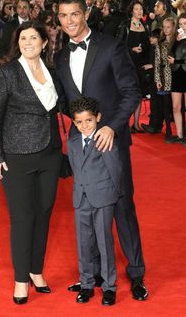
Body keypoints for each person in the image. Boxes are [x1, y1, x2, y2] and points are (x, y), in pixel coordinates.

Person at [55, 0, 148, 301]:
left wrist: (110, 126)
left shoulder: (110, 46)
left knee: (122, 207)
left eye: (75, 14)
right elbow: (67, 102)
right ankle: (93, 274)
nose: (69, 21)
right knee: (87, 208)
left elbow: (132, 92)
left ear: (86, 14)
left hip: (111, 142)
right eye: (64, 15)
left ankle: (136, 274)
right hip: (81, 146)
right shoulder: (60, 56)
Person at [0, 20, 63, 304]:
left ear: (44, 42)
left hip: (51, 153)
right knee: (22, 217)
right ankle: (20, 279)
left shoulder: (52, 71)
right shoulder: (6, 73)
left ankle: (36, 271)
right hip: (17, 155)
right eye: (23, 39)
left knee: (44, 213)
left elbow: (60, 106)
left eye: (33, 38)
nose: (28, 43)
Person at [67, 96, 123, 306]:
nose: (84, 126)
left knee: (104, 242)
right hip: (80, 199)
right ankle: (87, 284)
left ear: (98, 118)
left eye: (89, 120)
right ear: (73, 122)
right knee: (83, 244)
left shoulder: (104, 138)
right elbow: (75, 168)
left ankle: (109, 287)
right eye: (79, 122)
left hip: (103, 198)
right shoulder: (72, 142)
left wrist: (114, 195)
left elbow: (115, 169)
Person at [117, 0, 150, 133]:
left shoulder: (145, 26)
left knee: (138, 95)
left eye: (141, 9)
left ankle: (136, 124)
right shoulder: (125, 25)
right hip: (127, 64)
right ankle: (123, 124)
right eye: (136, 9)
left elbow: (147, 46)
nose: (139, 11)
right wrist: (131, 50)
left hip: (141, 65)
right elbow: (118, 45)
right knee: (127, 95)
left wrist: (145, 49)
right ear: (132, 11)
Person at [154, 17, 177, 142]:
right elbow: (157, 63)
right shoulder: (160, 44)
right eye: (164, 27)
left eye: (169, 27)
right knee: (166, 105)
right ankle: (168, 130)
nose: (166, 29)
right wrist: (157, 79)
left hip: (177, 77)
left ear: (173, 27)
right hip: (164, 78)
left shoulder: (177, 42)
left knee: (178, 106)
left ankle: (181, 130)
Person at [167, 12, 186, 142]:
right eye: (180, 24)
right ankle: (180, 135)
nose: (182, 26)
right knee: (176, 107)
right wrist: (176, 41)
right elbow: (170, 54)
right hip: (177, 74)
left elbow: (178, 59)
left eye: (185, 23)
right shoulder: (176, 37)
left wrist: (176, 61)